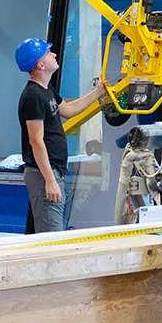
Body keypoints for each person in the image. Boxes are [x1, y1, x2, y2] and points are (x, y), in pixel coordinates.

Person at [15, 38, 102, 233]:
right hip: (43, 173)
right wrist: (50, 180)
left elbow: (69, 110)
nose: (53, 54)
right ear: (40, 65)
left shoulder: (46, 90)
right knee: (51, 237)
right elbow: (36, 142)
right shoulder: (33, 96)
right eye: (48, 53)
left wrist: (98, 93)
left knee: (54, 232)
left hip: (53, 171)